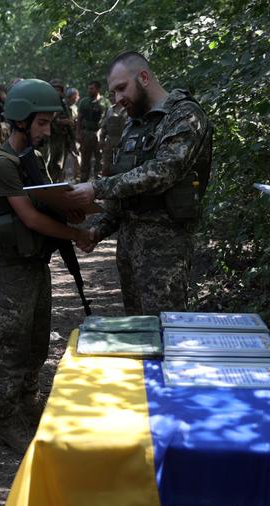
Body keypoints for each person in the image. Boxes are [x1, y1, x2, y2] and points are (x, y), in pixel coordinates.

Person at [0, 78, 91, 451]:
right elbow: (29, 218)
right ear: (21, 120)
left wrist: (72, 207)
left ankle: (29, 402)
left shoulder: (32, 160)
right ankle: (6, 417)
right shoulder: (2, 165)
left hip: (36, 265)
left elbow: (46, 202)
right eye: (42, 123)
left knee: (36, 342)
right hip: (14, 269)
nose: (47, 130)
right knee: (11, 346)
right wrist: (75, 234)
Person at [77, 51, 212, 315]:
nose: (117, 100)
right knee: (139, 333)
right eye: (113, 92)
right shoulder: (134, 125)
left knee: (164, 332)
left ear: (144, 77)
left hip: (165, 251)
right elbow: (125, 187)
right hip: (129, 248)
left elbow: (162, 172)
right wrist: (98, 229)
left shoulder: (184, 115)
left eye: (121, 89)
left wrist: (96, 188)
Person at [77, 80, 111, 180]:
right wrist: (78, 133)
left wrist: (106, 135)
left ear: (98, 89)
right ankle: (83, 180)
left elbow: (108, 119)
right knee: (85, 158)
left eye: (91, 88)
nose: (89, 90)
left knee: (99, 158)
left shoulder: (105, 102)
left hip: (99, 133)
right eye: (89, 88)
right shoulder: (84, 102)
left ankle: (98, 180)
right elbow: (79, 119)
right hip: (86, 133)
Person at [46, 78, 76, 182]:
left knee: (59, 165)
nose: (57, 92)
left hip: (62, 138)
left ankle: (56, 184)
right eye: (55, 89)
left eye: (59, 89)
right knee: (49, 164)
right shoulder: (47, 103)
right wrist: (63, 121)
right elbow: (48, 120)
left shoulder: (63, 104)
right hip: (50, 138)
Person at [99, 90, 127, 176]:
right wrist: (102, 139)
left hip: (123, 143)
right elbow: (104, 126)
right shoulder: (110, 110)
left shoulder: (127, 110)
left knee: (122, 166)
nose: (111, 98)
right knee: (106, 166)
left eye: (113, 96)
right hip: (110, 142)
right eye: (110, 96)